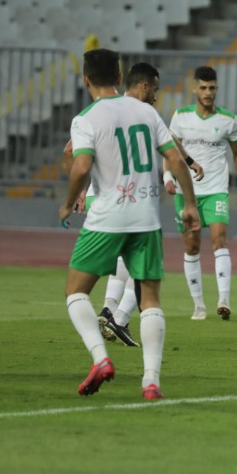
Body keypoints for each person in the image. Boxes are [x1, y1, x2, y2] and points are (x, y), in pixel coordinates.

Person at [59, 49, 200, 399]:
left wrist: (67, 202)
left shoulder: (86, 118)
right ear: (120, 77)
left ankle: (101, 359)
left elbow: (80, 165)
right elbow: (175, 159)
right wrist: (190, 204)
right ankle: (151, 380)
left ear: (86, 80)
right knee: (150, 299)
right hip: (146, 218)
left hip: (107, 217)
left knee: (76, 292)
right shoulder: (146, 112)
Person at [166, 65, 237, 321]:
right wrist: (167, 176)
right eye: (203, 87)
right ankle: (199, 306)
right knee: (191, 246)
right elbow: (169, 150)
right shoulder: (180, 117)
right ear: (195, 89)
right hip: (186, 192)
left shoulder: (228, 120)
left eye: (212, 88)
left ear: (217, 89)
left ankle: (224, 300)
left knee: (219, 240)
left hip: (216, 190)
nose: (208, 92)